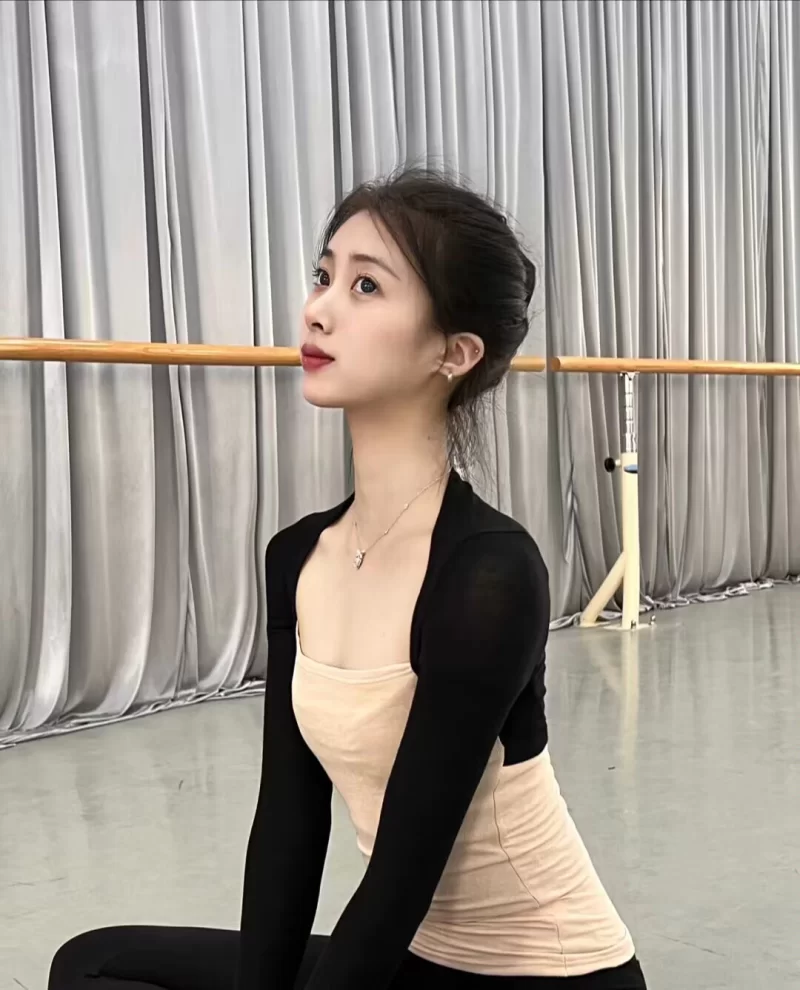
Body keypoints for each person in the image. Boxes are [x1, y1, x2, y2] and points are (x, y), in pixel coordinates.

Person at [49, 168, 647, 990]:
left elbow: (401, 879)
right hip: (410, 957)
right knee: (92, 965)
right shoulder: (299, 555)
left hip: (544, 974)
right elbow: (289, 826)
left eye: (366, 286)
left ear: (454, 352)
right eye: (324, 275)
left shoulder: (489, 574)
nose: (318, 309)